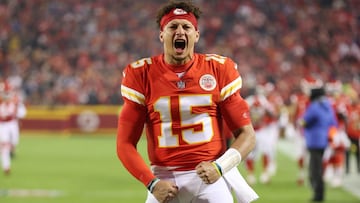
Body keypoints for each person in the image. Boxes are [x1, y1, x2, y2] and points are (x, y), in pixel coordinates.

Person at [116, 1, 258, 203]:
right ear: (162, 35)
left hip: (210, 177)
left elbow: (247, 135)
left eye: (186, 26)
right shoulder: (141, 74)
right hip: (164, 179)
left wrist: (220, 166)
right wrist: (152, 183)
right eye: (173, 26)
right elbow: (124, 144)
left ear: (196, 35)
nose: (180, 31)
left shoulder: (218, 69)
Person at [299, 87, 337, 202]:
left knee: (315, 170)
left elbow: (304, 121)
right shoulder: (328, 106)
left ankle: (318, 195)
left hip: (314, 140)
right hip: (324, 139)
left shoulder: (314, 106)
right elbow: (333, 122)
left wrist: (302, 122)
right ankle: (319, 193)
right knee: (317, 167)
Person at [0, 81, 26, 175]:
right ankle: (6, 167)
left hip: (12, 123)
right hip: (2, 125)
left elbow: (22, 112)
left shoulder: (15, 100)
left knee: (14, 142)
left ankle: (10, 151)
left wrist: (18, 116)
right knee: (4, 146)